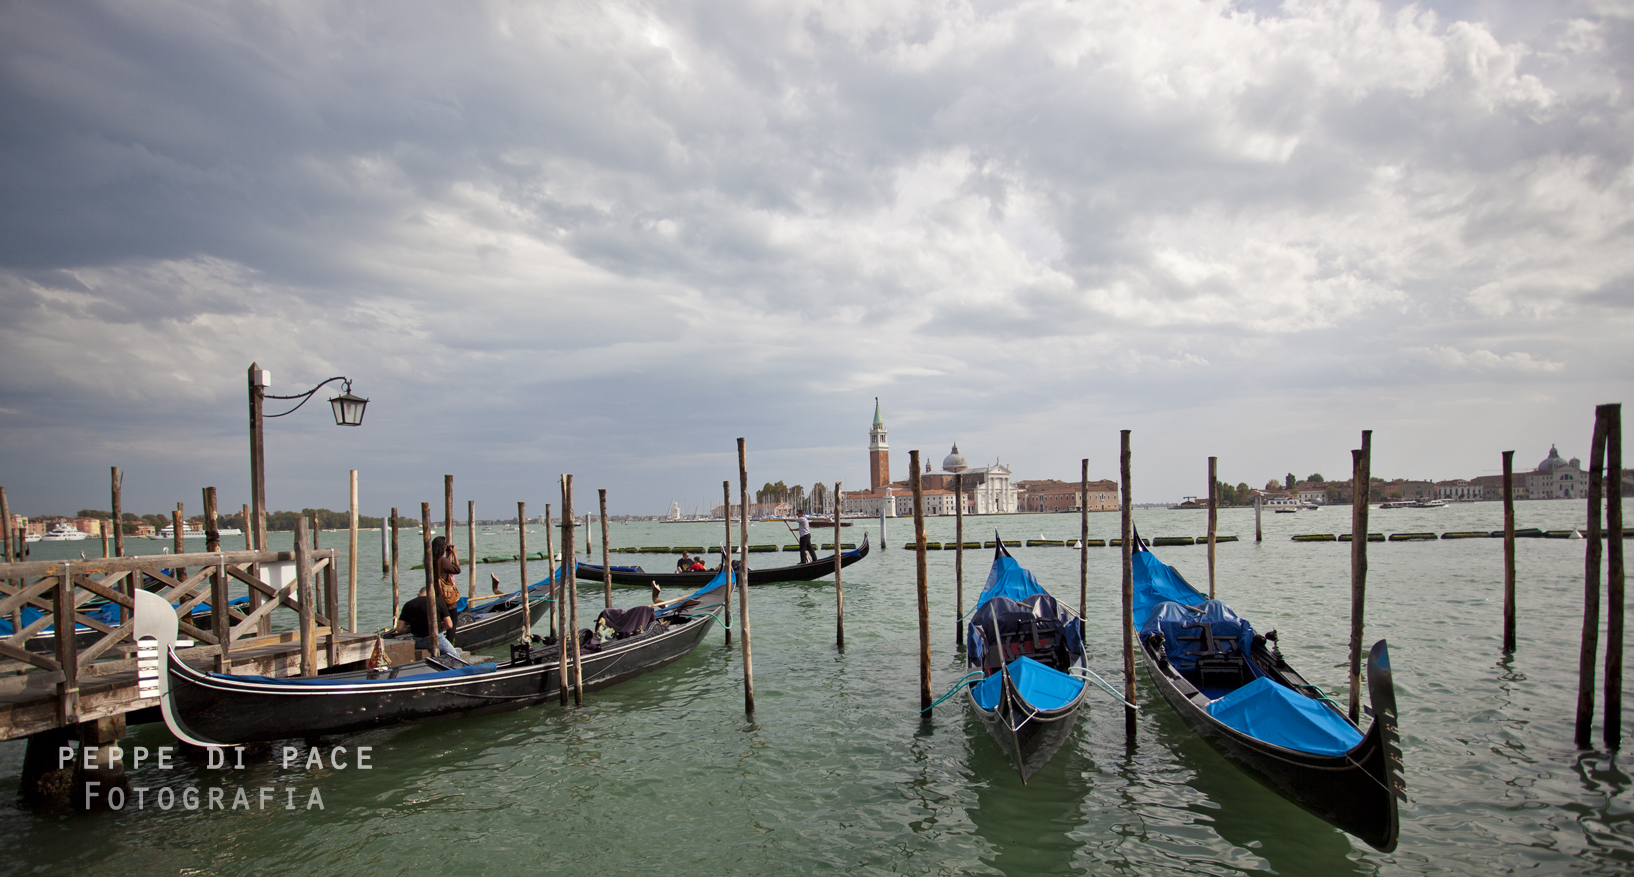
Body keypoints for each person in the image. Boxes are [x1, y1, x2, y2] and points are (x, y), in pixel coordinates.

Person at [391, 587, 458, 657]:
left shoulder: (408, 604)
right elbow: (449, 624)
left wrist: (415, 626)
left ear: (418, 595)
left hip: (417, 642)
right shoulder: (438, 601)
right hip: (436, 640)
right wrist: (435, 626)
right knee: (456, 657)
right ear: (433, 594)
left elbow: (399, 629)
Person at [430, 535, 462, 626]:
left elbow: (443, 568)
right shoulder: (442, 561)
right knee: (452, 620)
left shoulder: (432, 560)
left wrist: (448, 556)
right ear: (442, 547)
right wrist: (455, 554)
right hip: (445, 594)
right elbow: (457, 570)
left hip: (435, 593)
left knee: (440, 620)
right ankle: (450, 640)